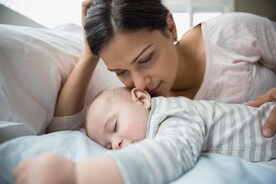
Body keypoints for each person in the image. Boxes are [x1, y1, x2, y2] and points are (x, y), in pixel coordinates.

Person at [49, 0, 276, 138]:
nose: (139, 84)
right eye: (121, 72)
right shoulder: (135, 100)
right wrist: (90, 52)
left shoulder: (231, 33)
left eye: (146, 58)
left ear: (170, 27)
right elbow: (61, 130)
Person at [14, 86, 276, 184]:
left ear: (141, 99)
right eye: (107, 145)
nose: (115, 144)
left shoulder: (173, 113)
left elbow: (172, 152)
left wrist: (78, 175)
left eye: (114, 126)